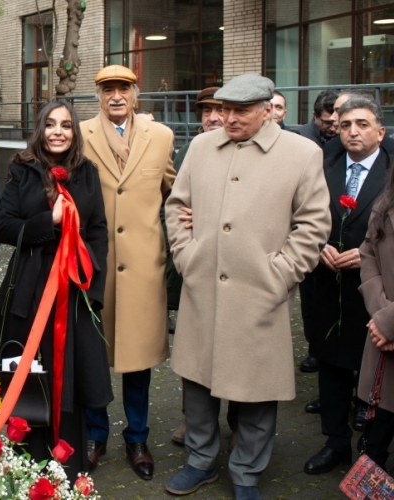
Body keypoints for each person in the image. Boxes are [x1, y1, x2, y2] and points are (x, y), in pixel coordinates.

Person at [165, 74, 331, 499]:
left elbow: (313, 225)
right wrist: (187, 256)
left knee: (257, 390)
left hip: (260, 294)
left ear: (266, 109)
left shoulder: (301, 153)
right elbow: (177, 205)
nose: (229, 119)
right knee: (197, 385)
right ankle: (200, 461)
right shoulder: (202, 147)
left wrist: (280, 274)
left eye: (241, 111)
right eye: (225, 110)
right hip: (202, 288)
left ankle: (246, 472)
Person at [0, 100, 112, 480]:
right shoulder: (22, 169)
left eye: (66, 126)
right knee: (30, 372)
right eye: (50, 124)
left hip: (75, 290)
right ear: (40, 128)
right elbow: (4, 226)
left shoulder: (87, 173)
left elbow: (98, 230)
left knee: (73, 373)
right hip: (31, 287)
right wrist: (46, 221)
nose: (58, 132)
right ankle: (26, 462)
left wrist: (93, 287)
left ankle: (68, 465)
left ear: (74, 132)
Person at [80, 65, 175, 479]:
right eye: (107, 90)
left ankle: (137, 437)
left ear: (136, 92)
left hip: (143, 268)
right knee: (94, 354)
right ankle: (95, 434)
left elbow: (175, 194)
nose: (115, 96)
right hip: (95, 267)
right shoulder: (80, 135)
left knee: (138, 359)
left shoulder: (163, 137)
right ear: (99, 96)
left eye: (123, 88)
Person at [303, 96, 391, 475]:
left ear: (380, 131)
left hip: (377, 288)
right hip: (327, 280)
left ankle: (370, 445)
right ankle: (334, 441)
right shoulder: (323, 163)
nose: (352, 132)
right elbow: (304, 210)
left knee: (373, 366)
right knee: (330, 362)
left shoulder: (391, 169)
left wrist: (364, 253)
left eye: (362, 124)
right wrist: (318, 244)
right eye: (345, 126)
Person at [167, 87, 238, 449]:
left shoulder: (244, 148)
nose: (212, 117)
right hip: (197, 266)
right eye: (206, 111)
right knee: (194, 348)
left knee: (238, 346)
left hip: (238, 270)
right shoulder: (188, 152)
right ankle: (192, 420)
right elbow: (175, 203)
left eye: (219, 110)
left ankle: (238, 418)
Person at [295, 88, 340, 376]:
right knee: (310, 295)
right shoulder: (301, 140)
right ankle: (314, 347)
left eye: (338, 122)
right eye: (328, 124)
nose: (334, 128)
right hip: (308, 228)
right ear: (315, 117)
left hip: (338, 225)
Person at [356, 166, 394, 470]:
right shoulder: (384, 206)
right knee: (378, 428)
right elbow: (368, 257)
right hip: (383, 338)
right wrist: (380, 313)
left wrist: (388, 321)